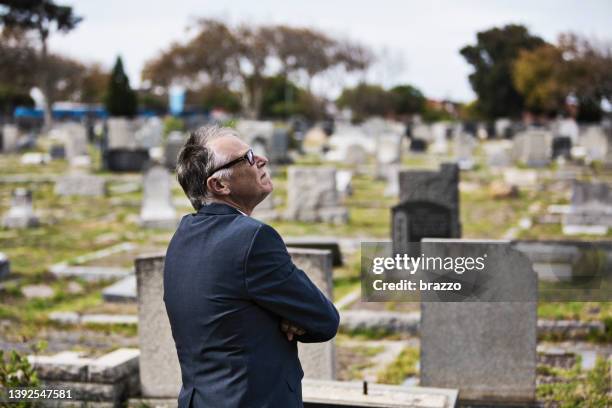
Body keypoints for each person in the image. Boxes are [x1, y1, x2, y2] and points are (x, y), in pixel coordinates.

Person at [164, 125, 340, 408]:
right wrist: (286, 315)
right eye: (246, 157)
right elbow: (324, 320)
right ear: (219, 185)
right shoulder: (254, 238)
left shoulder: (182, 235)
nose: (262, 160)